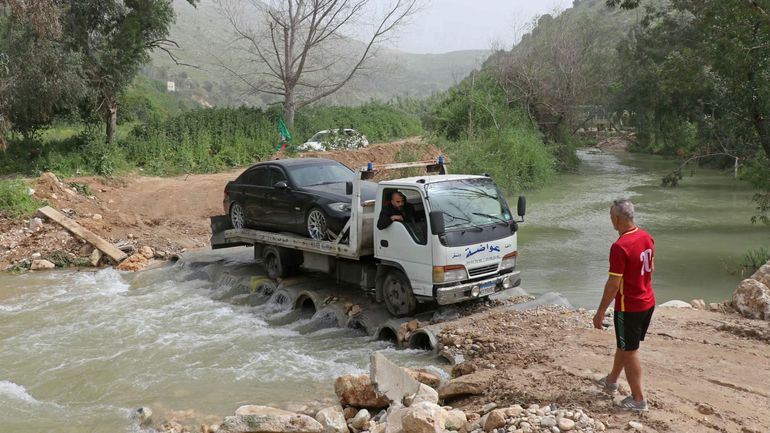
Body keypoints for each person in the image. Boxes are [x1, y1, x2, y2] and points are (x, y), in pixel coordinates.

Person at [592, 199, 655, 412]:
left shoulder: (620, 247)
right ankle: (611, 381)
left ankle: (638, 399)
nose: (611, 220)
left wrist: (600, 311)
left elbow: (613, 284)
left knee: (630, 351)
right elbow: (650, 269)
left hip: (629, 307)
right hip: (647, 301)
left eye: (611, 217)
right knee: (625, 344)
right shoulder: (646, 237)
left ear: (617, 219)